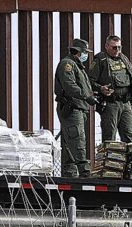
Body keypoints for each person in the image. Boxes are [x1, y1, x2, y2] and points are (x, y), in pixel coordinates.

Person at [54, 38, 98, 178]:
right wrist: (86, 97)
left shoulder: (77, 66)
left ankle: (70, 172)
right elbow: (70, 86)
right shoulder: (68, 64)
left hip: (78, 108)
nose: (86, 55)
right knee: (77, 139)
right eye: (85, 52)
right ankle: (84, 171)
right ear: (79, 52)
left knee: (70, 141)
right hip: (72, 107)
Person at [88, 35, 132, 143]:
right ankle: (109, 160)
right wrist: (101, 88)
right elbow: (89, 81)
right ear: (106, 46)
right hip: (110, 103)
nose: (117, 50)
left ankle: (130, 160)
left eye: (119, 47)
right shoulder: (100, 59)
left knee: (129, 136)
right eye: (114, 47)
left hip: (126, 103)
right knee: (109, 138)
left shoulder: (124, 59)